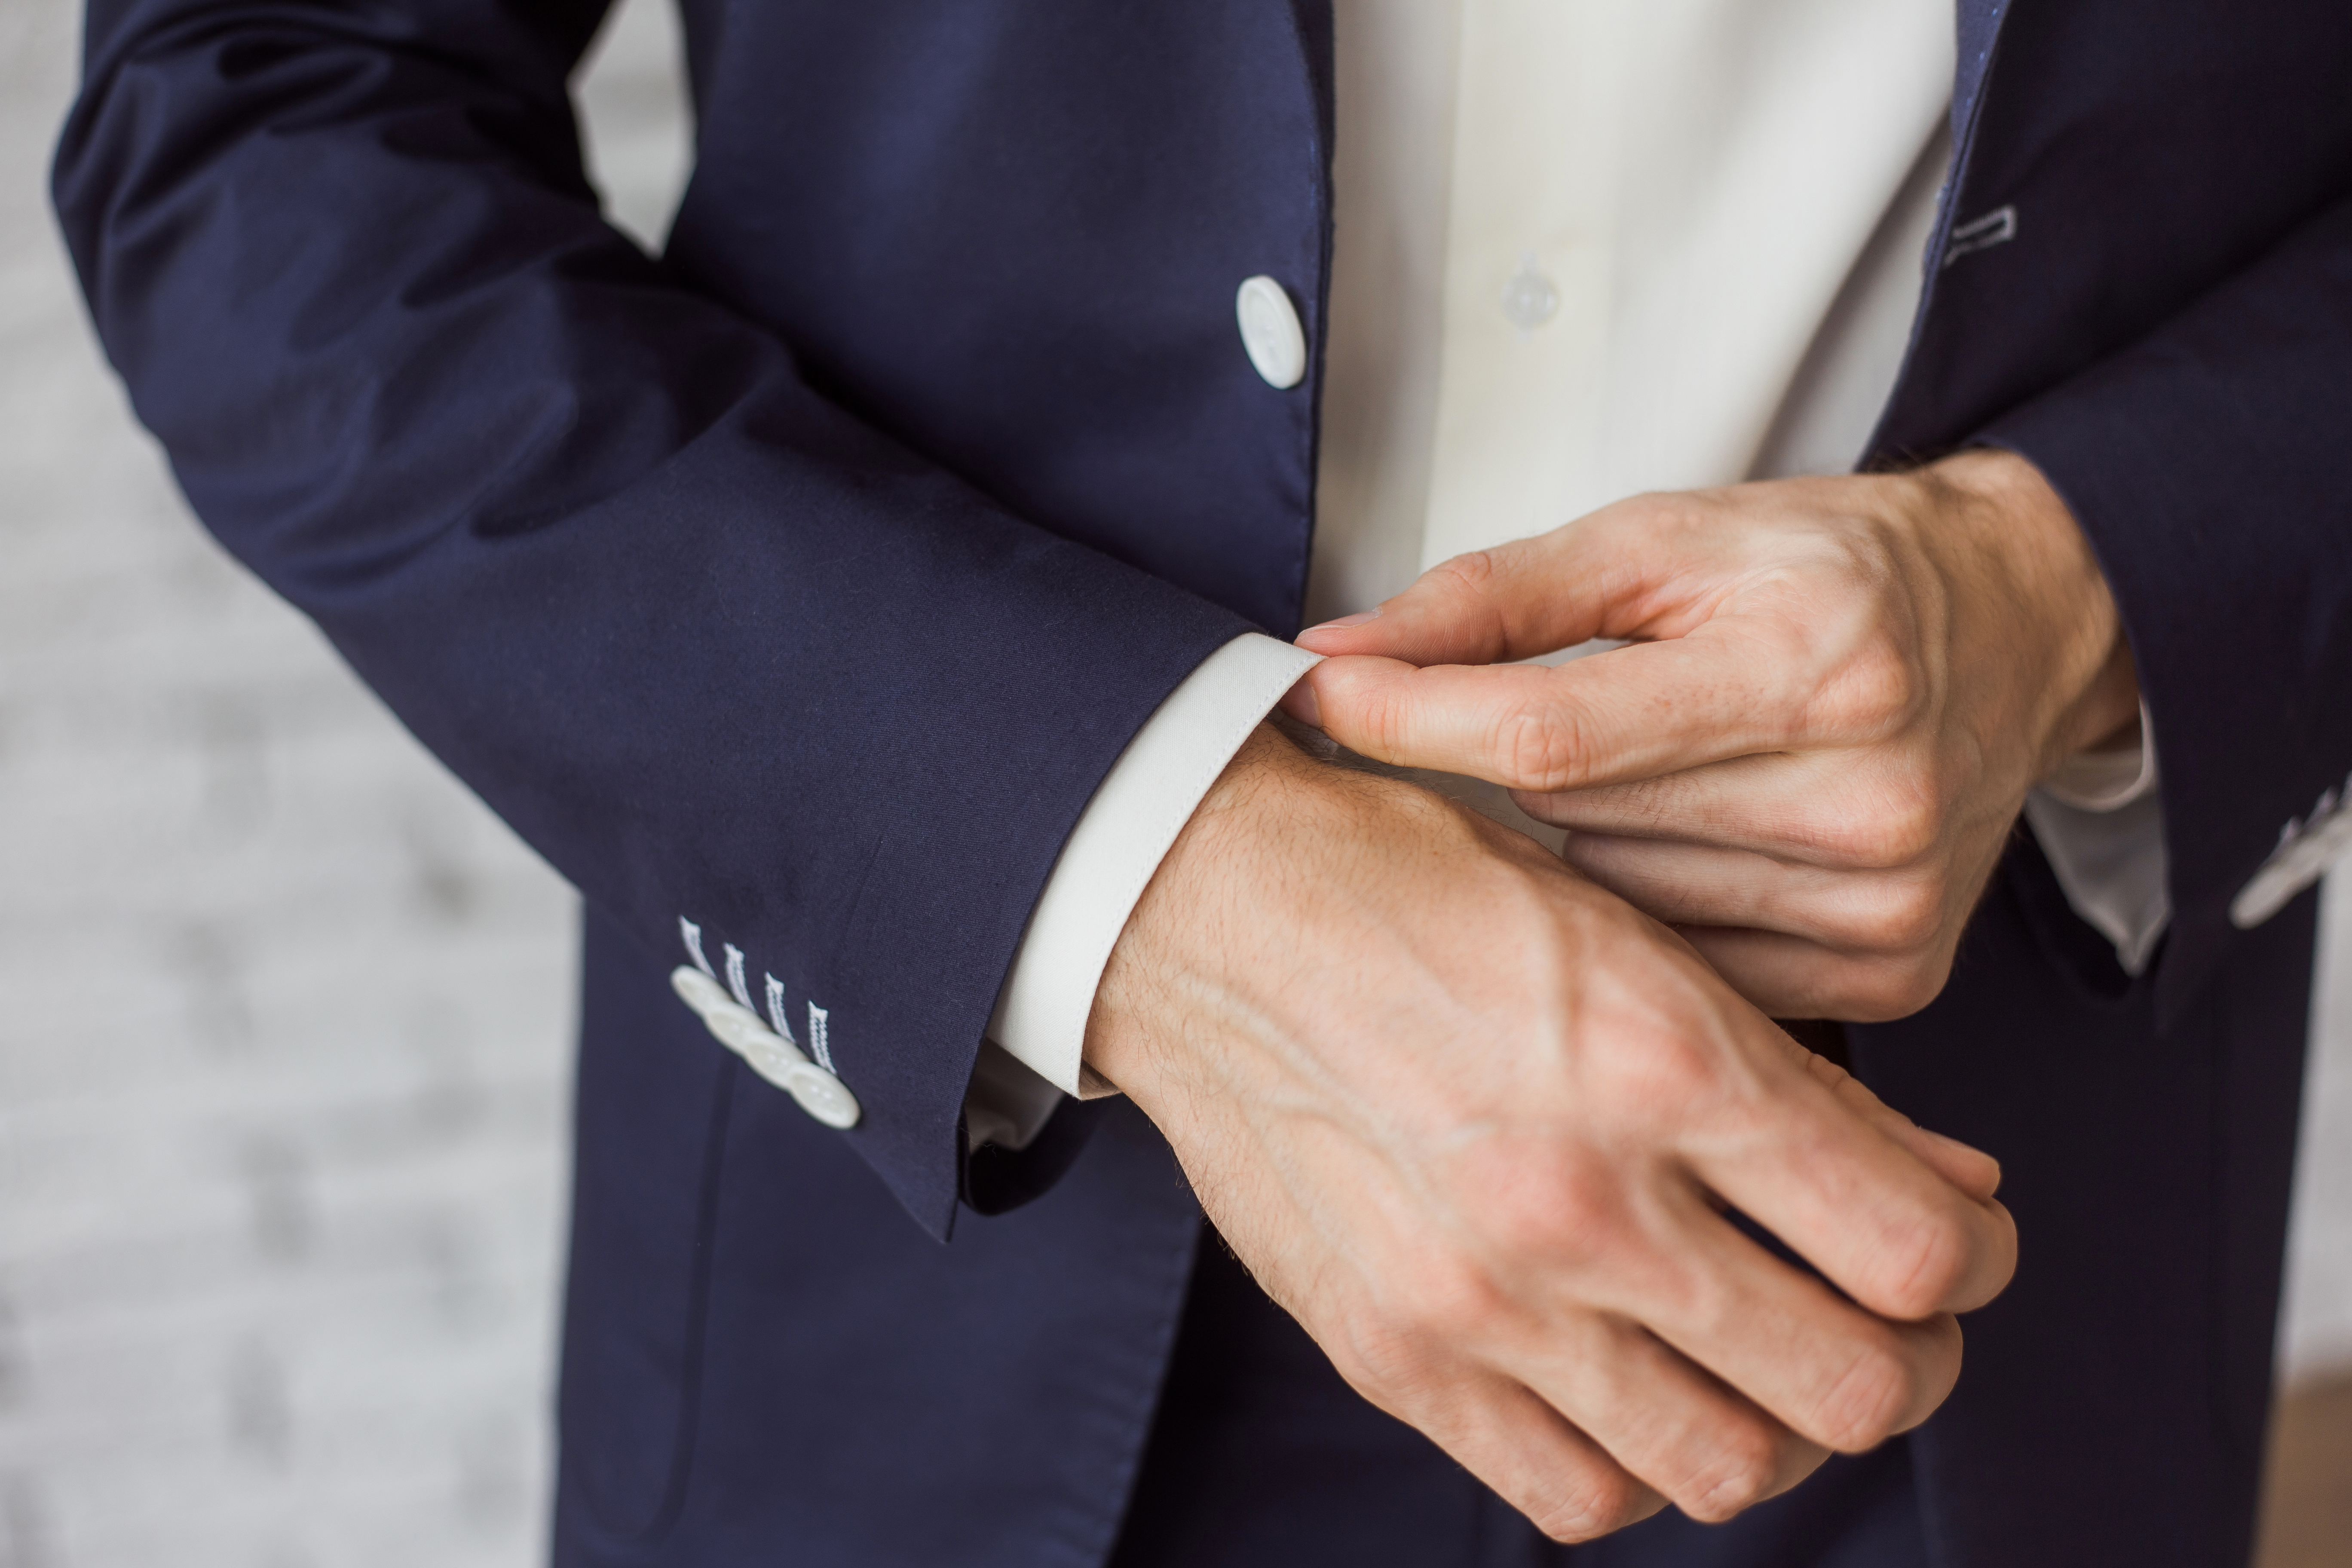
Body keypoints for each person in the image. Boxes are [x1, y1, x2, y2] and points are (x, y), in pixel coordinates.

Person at [51, 1, 2350, 1564]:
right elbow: (263, 110)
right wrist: (1133, 870)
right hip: (939, 1237)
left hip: (1991, 1207)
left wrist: (2071, 585)